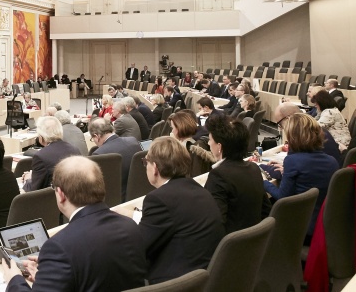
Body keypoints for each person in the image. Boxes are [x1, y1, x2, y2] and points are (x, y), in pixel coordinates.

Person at [3, 156, 147, 292]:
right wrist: (48, 275)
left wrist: (14, 279)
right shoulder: (131, 226)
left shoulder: (59, 247)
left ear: (61, 194)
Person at [137, 137, 224, 284]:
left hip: (178, 282)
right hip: (207, 275)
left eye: (146, 162)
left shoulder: (158, 199)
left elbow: (138, 247)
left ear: (155, 168)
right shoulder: (198, 189)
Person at [263, 113, 339, 243]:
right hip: (325, 224)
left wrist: (263, 182)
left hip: (303, 229)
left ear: (293, 136)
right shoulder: (332, 161)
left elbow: (282, 197)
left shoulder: (293, 161)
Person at [204, 116, 271, 234]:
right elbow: (266, 210)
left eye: (210, 139)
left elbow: (215, 222)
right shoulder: (254, 168)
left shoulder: (218, 175)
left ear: (219, 146)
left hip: (230, 245)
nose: (208, 143)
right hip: (254, 240)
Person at [89, 117, 140, 200]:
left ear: (96, 136)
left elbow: (97, 186)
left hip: (115, 200)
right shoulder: (133, 141)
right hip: (138, 194)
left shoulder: (100, 154)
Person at [23, 116, 80, 191]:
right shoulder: (75, 150)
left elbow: (34, 189)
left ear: (42, 137)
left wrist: (27, 179)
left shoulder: (41, 156)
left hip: (50, 199)